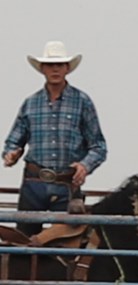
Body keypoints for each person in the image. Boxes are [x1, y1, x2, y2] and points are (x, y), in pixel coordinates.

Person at [3, 41, 107, 236]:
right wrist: (11, 154)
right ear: (42, 69)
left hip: (66, 183)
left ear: (67, 68)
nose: (55, 69)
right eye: (51, 65)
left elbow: (98, 146)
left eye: (59, 65)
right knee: (23, 241)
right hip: (34, 182)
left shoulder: (82, 102)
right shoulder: (30, 103)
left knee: (67, 241)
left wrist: (85, 166)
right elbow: (13, 141)